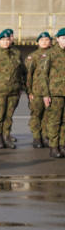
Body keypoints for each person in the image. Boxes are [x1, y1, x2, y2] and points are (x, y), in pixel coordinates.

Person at [37, 29, 65, 158]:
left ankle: (62, 144)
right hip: (55, 92)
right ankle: (53, 147)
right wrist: (46, 94)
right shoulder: (50, 53)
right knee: (55, 120)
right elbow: (42, 75)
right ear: (57, 39)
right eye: (63, 38)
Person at [26, 32, 53, 148]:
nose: (45, 42)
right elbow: (28, 75)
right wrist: (29, 92)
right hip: (36, 91)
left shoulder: (54, 54)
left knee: (48, 115)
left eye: (47, 40)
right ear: (38, 42)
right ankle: (37, 137)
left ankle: (45, 136)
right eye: (42, 40)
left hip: (51, 90)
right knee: (36, 115)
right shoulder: (33, 56)